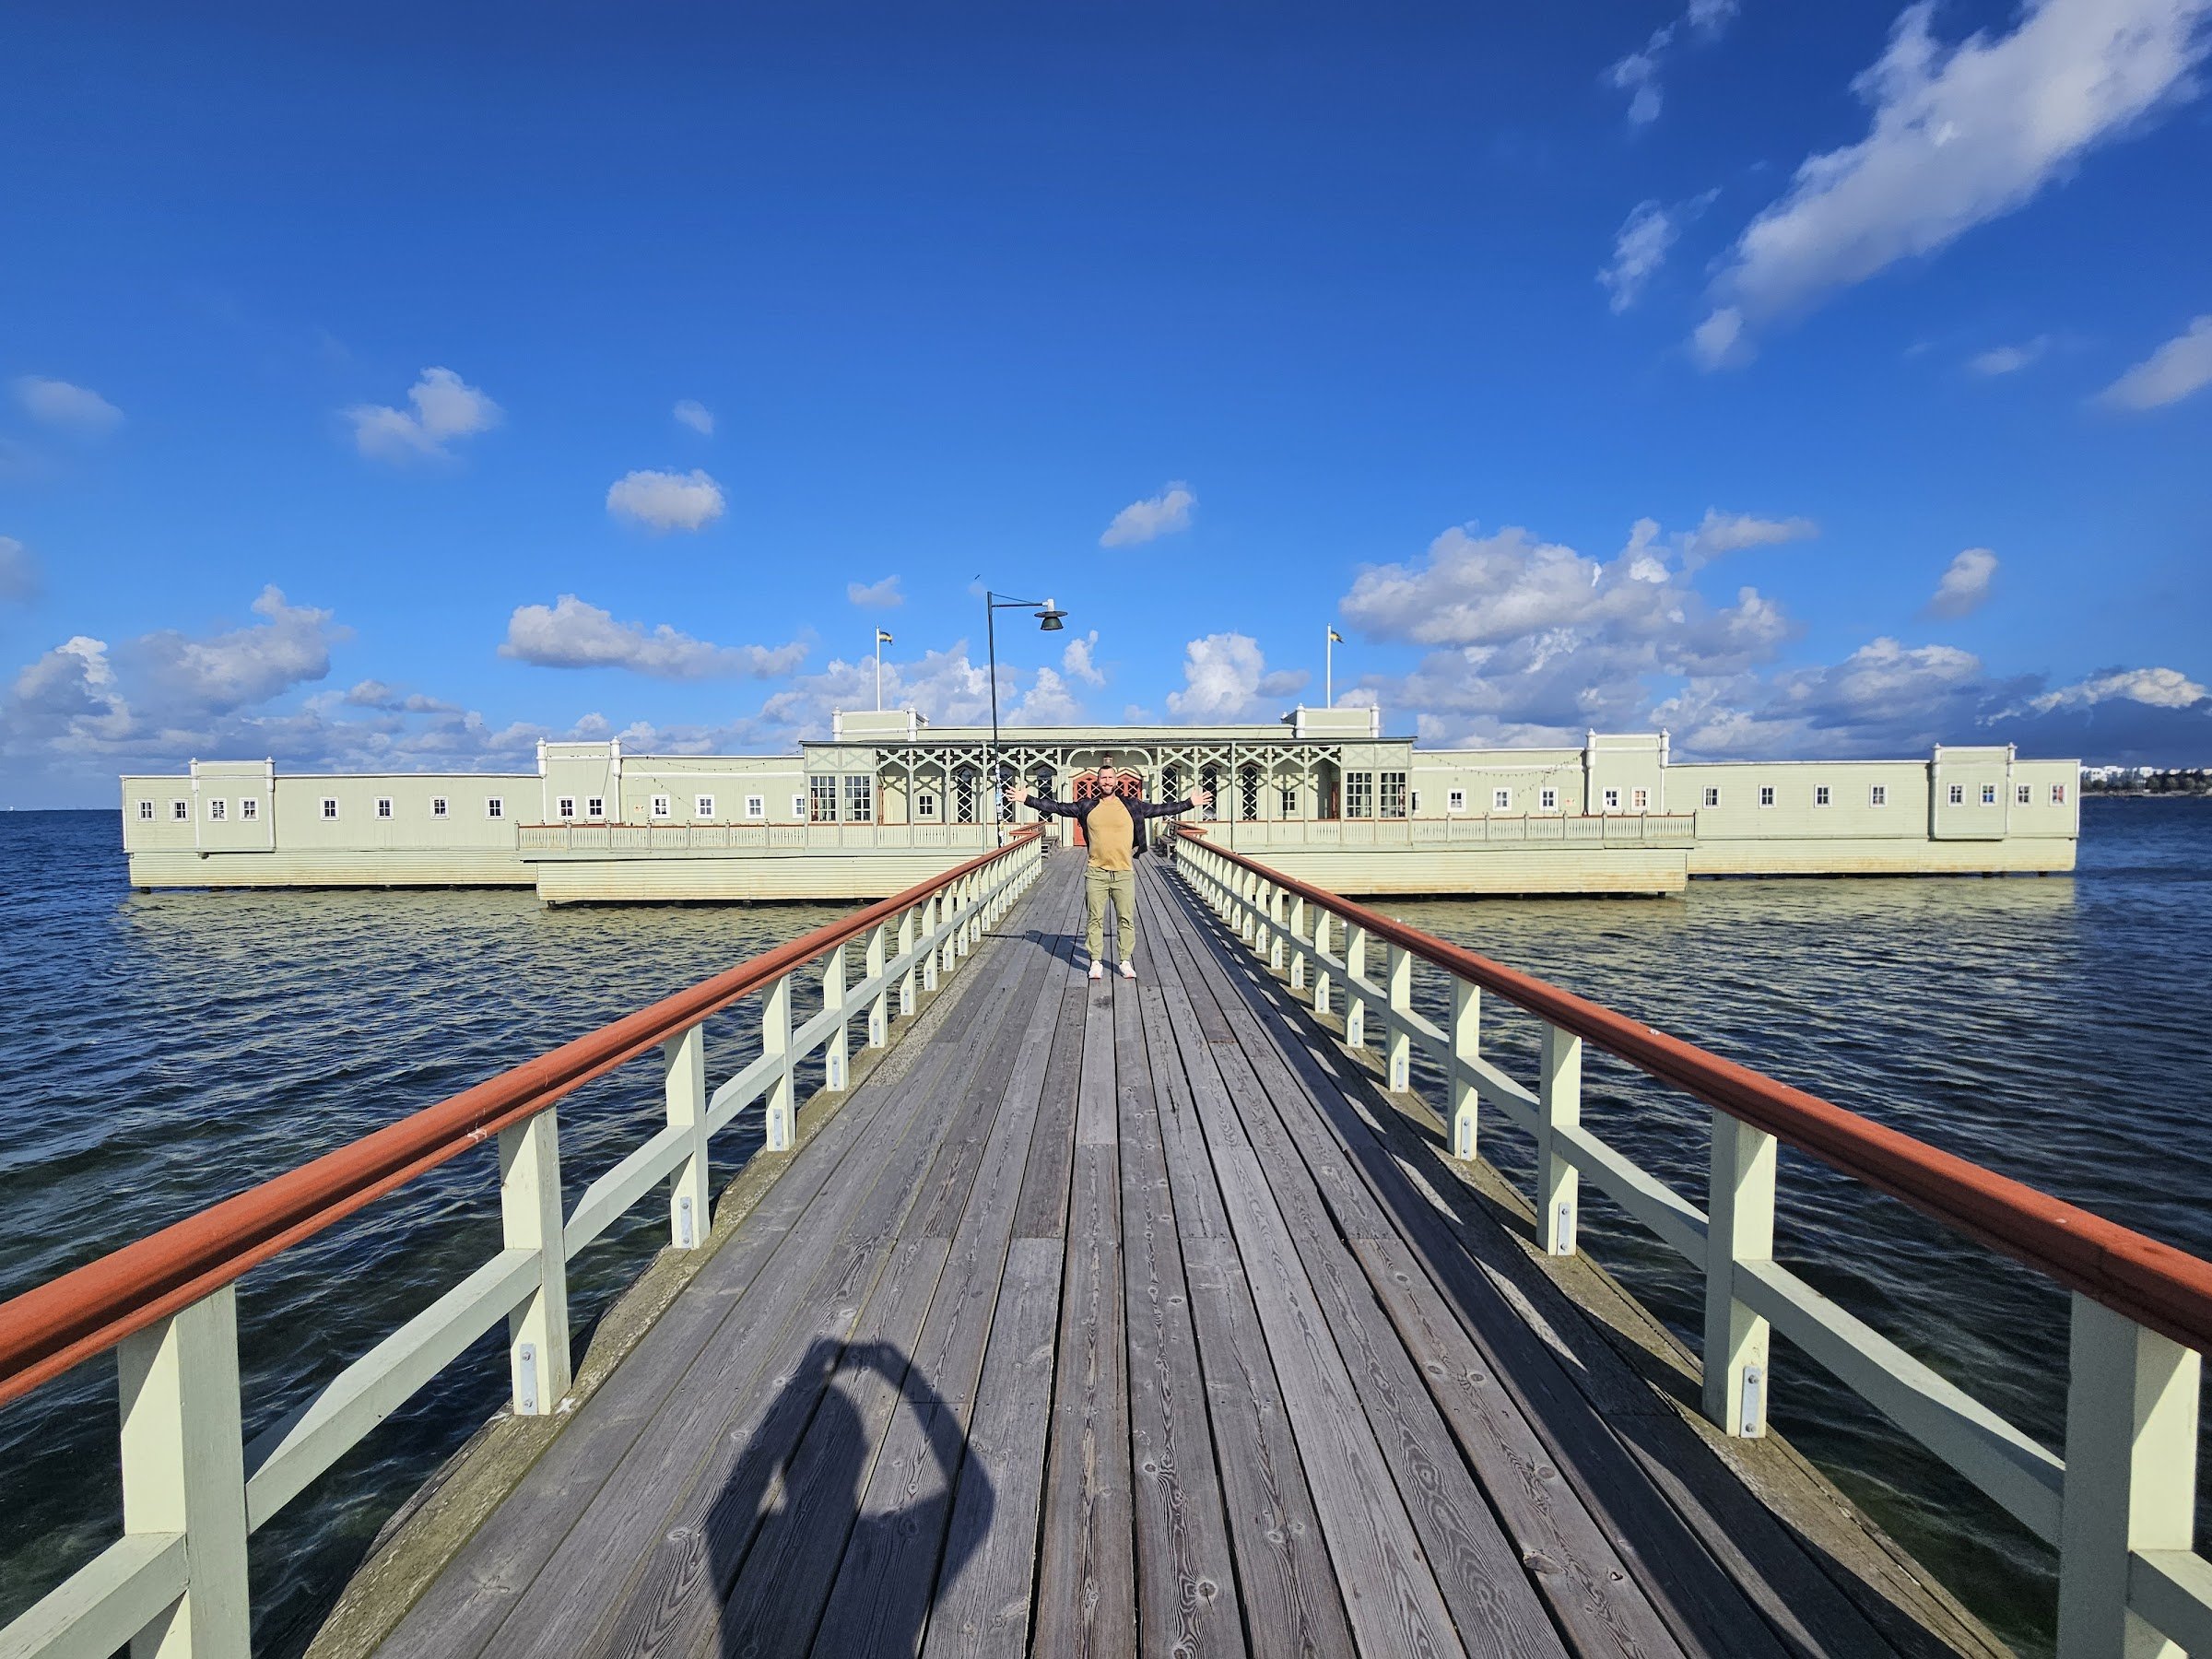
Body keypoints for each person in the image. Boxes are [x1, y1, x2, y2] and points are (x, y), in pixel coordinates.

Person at [1005, 756, 1210, 981]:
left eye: (1111, 778)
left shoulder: (1132, 805)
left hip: (1123, 872)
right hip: (1096, 873)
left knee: (1126, 918)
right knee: (1095, 919)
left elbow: (1161, 809)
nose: (1107, 781)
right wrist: (1027, 799)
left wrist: (1189, 803)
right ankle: (1095, 961)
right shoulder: (1087, 806)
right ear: (1097, 782)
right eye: (1103, 778)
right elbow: (1057, 807)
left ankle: (1125, 961)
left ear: (1116, 781)